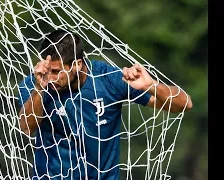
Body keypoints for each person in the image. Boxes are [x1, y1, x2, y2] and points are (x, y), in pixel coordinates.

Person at [18, 29, 193, 180]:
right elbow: (27, 127)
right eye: (48, 71)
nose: (51, 78)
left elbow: (184, 104)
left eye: (56, 71)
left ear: (78, 64)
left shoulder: (108, 79)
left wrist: (150, 85)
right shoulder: (35, 84)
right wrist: (39, 88)